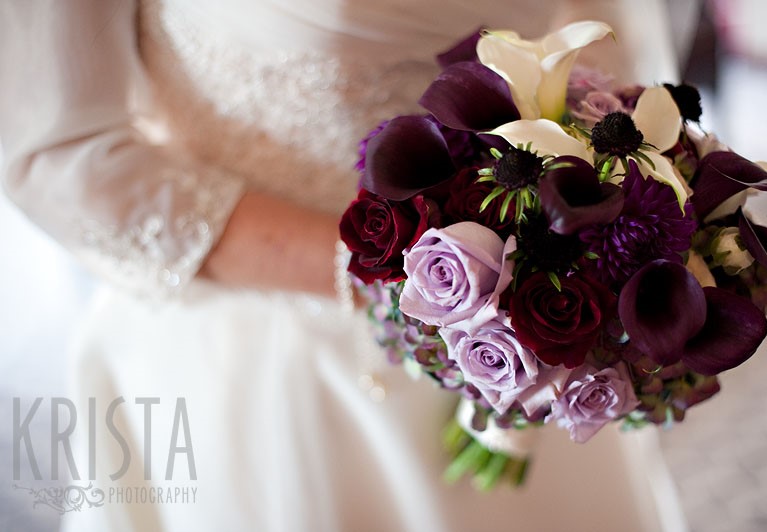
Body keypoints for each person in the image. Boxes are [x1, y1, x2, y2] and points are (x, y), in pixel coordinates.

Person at [0, 1, 688, 530]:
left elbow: (601, 32)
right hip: (277, 340)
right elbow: (61, 157)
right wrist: (424, 290)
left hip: (536, 318)